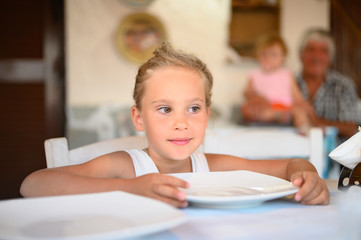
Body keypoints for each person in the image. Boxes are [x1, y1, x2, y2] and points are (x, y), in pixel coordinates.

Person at [20, 42, 329, 207]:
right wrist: (130, 189)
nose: (181, 123)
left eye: (193, 108)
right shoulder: (127, 167)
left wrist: (307, 176)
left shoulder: (211, 165)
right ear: (139, 119)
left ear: (207, 116)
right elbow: (33, 184)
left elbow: (292, 164)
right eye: (165, 109)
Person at [297, 28, 359, 139]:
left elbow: (352, 128)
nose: (316, 56)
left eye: (323, 51)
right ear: (301, 55)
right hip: (295, 152)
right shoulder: (289, 83)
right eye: (311, 49)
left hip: (334, 154)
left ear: (330, 58)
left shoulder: (343, 85)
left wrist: (316, 121)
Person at [241, 33, 309, 132]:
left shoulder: (287, 74)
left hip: (286, 108)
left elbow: (297, 96)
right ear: (258, 56)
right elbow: (247, 92)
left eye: (274, 55)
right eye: (264, 54)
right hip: (266, 108)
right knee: (246, 110)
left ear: (282, 58)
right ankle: (281, 117)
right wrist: (255, 96)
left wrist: (303, 105)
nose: (268, 58)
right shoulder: (255, 75)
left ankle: (305, 131)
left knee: (300, 112)